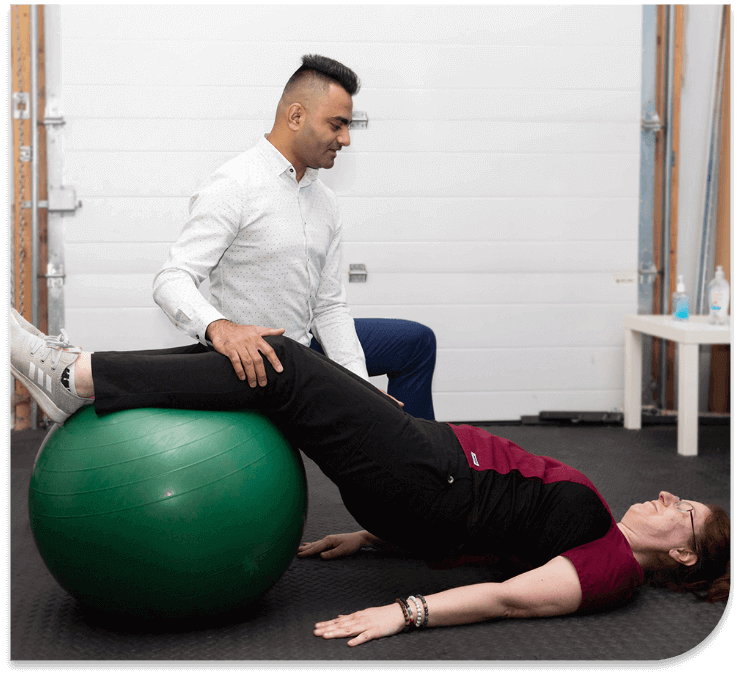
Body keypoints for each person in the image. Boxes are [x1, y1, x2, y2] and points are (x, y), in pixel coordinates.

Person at [10, 309, 730, 647]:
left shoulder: (608, 566)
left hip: (425, 477)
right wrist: (370, 540)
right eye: (677, 493)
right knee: (269, 353)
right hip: (421, 477)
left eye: (682, 510)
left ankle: (76, 375)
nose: (666, 494)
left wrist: (405, 611)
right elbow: (506, 540)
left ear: (684, 555)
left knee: (281, 362)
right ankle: (87, 373)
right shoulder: (596, 529)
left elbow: (513, 597)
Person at [152, 54, 437, 420]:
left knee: (416, 343)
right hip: (265, 360)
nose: (346, 139)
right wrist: (219, 328)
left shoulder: (325, 202)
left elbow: (329, 305)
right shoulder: (235, 185)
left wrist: (360, 388)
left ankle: (413, 456)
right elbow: (170, 280)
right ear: (296, 116)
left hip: (307, 345)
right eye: (337, 125)